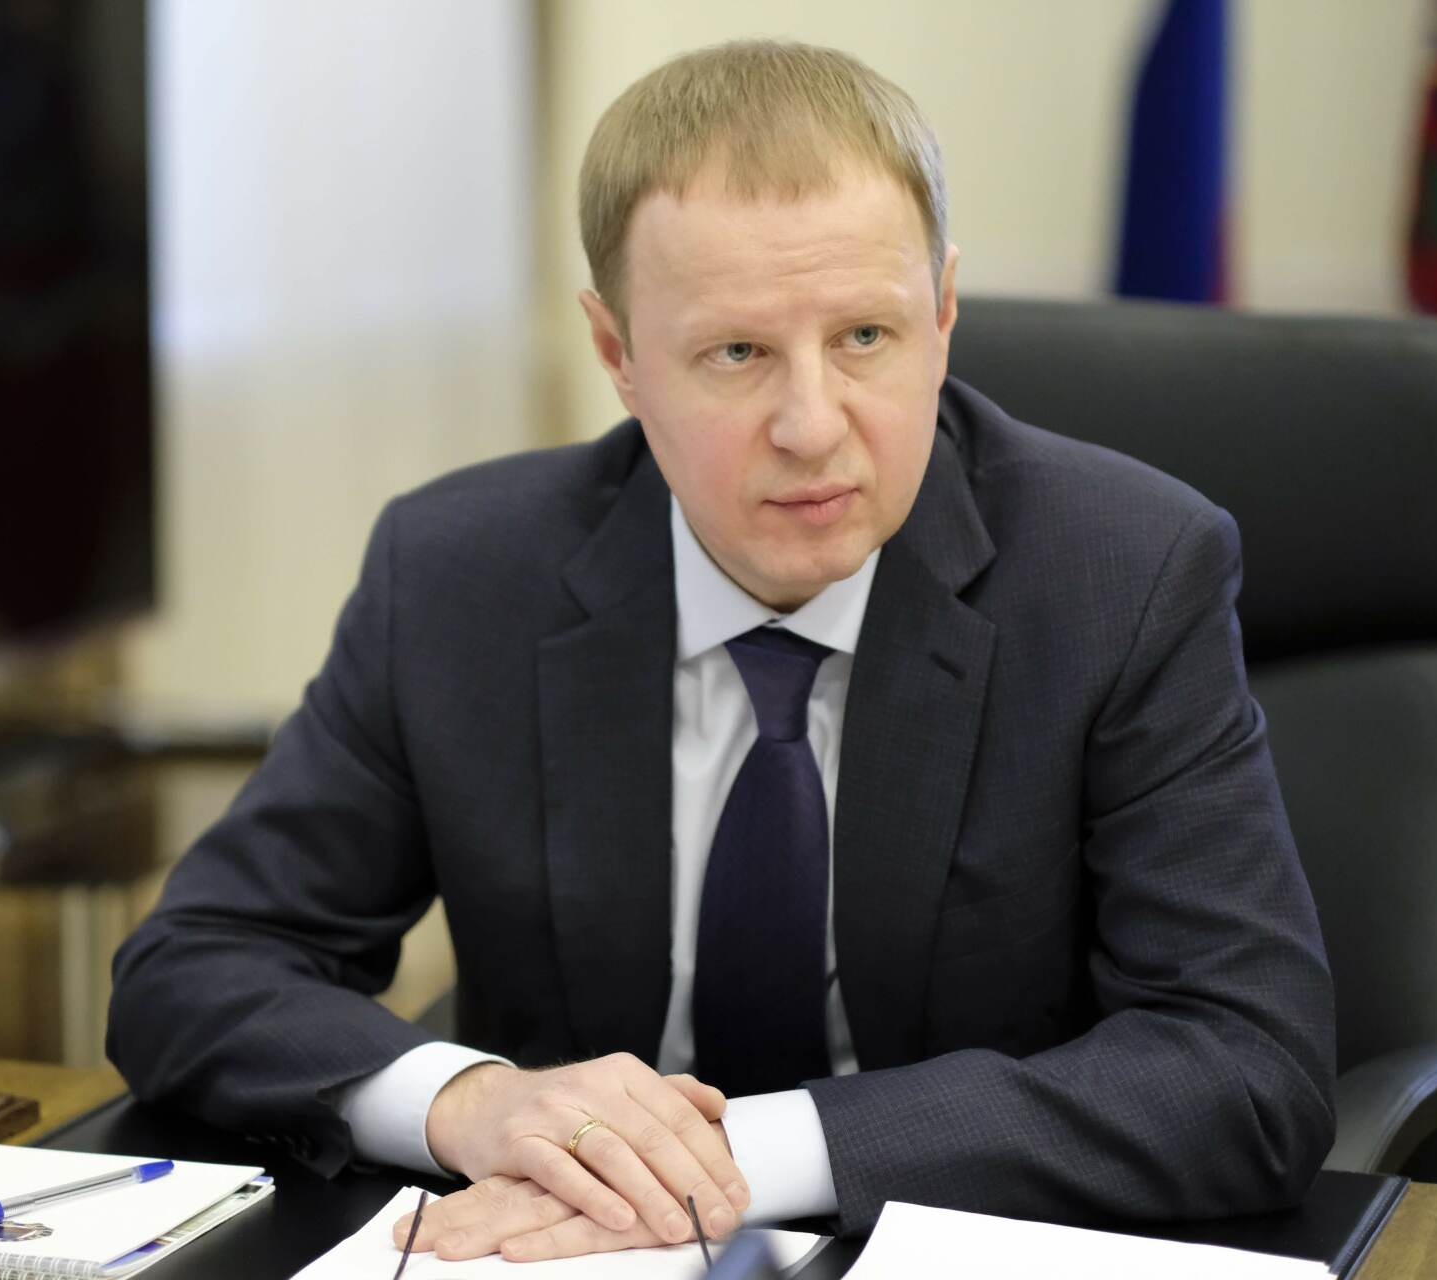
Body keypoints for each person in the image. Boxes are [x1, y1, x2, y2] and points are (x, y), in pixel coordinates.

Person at [107, 39, 1335, 1264]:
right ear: (618, 356)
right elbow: (194, 963)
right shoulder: (458, 577)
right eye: (737, 353)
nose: (811, 424)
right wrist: (472, 1101)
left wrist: (733, 1159)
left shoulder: (1123, 574)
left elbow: (1246, 1061)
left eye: (866, 335)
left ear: (944, 312)